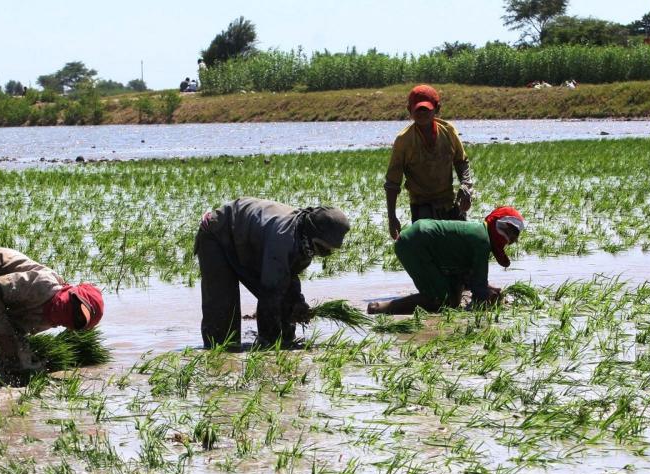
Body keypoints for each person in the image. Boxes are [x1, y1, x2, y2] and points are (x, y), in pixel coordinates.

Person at [0, 247, 104, 389]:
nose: (72, 316)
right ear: (72, 293)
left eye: (79, 321)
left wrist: (24, 361)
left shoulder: (50, 318)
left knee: (12, 364)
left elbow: (16, 331)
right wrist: (5, 336)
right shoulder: (42, 285)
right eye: (76, 308)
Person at [195, 198, 350, 349]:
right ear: (313, 236)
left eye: (329, 251)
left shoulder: (304, 242)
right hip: (217, 233)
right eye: (323, 248)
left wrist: (297, 302)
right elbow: (270, 293)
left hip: (246, 240)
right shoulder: (283, 238)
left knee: (285, 303)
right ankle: (218, 355)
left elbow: (288, 278)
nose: (325, 253)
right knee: (222, 316)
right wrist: (269, 342)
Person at [368, 206, 525, 315]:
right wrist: (492, 298)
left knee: (453, 297)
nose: (508, 240)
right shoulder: (482, 241)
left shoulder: (481, 234)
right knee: (440, 300)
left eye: (512, 238)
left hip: (417, 239)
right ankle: (381, 308)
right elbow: (479, 292)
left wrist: (486, 288)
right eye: (508, 233)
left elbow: (468, 277)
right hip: (415, 245)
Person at [384, 84, 474, 241]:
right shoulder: (404, 140)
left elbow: (461, 162)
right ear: (409, 110)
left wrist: (466, 186)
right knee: (430, 251)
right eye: (418, 109)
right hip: (422, 206)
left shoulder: (448, 131)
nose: (422, 113)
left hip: (450, 204)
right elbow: (392, 183)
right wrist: (392, 218)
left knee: (460, 248)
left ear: (437, 109)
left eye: (426, 109)